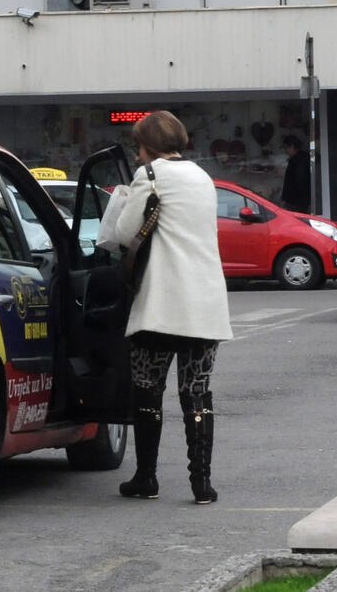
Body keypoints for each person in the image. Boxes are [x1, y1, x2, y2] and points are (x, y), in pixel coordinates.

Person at [113, 110, 233, 504]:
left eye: (138, 147)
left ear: (149, 146)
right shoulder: (202, 177)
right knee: (197, 391)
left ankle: (146, 478)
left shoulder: (151, 177)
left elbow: (123, 234)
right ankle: (202, 484)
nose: (136, 156)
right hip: (205, 302)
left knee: (148, 388)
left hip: (163, 303)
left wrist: (122, 200)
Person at [280, 135, 311, 213]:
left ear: (292, 146)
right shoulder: (301, 158)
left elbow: (300, 180)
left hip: (296, 201)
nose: (285, 150)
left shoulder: (298, 160)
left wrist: (287, 198)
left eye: (286, 147)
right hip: (299, 200)